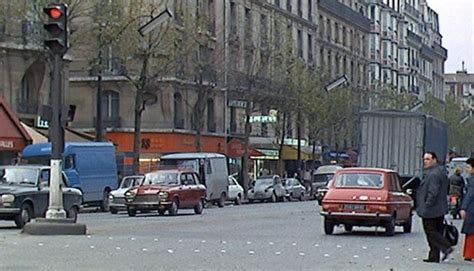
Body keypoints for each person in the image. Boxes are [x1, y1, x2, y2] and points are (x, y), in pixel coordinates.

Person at [416, 151, 454, 263]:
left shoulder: (434, 174)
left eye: (428, 159)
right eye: (424, 159)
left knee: (431, 231)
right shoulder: (440, 172)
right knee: (435, 230)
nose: (425, 162)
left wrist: (426, 205)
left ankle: (446, 246)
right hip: (439, 208)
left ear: (434, 160)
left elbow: (433, 192)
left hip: (432, 209)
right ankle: (434, 255)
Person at [460, 157, 474, 261]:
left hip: (472, 209)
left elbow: (469, 194)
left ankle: (469, 253)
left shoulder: (472, 180)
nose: (467, 169)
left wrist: (464, 207)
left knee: (470, 231)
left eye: (468, 167)